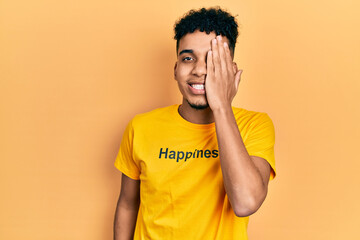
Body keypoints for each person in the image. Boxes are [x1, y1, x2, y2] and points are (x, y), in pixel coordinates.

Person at [113, 7, 276, 240]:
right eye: (188, 58)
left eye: (212, 60)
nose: (199, 70)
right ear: (176, 69)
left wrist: (221, 105)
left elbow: (245, 202)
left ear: (230, 70)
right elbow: (128, 205)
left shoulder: (255, 125)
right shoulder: (140, 127)